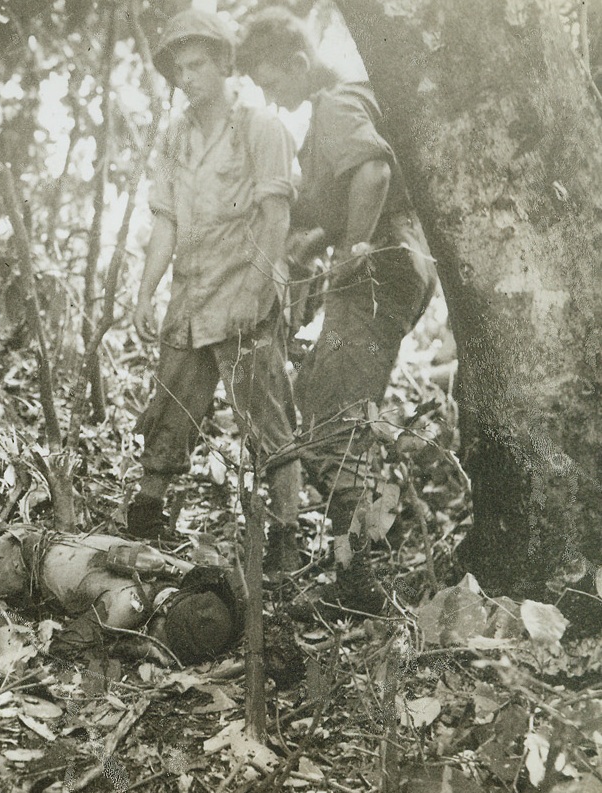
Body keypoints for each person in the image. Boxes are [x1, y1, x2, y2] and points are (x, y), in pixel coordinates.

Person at [237, 9, 438, 602]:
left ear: (300, 64)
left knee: (336, 411)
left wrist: (351, 250)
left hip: (381, 265)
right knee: (328, 399)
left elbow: (373, 172)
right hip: (387, 263)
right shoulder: (337, 105)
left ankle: (362, 574)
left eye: (273, 82)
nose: (272, 97)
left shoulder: (336, 103)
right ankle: (359, 560)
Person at [128, 7, 302, 576]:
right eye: (179, 69)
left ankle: (286, 534)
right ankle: (149, 513)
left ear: (224, 64)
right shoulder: (174, 138)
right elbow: (166, 222)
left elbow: (277, 215)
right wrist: (145, 291)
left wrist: (257, 289)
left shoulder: (261, 128)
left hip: (243, 288)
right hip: (192, 292)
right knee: (170, 404)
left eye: (198, 65)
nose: (187, 79)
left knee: (265, 414)